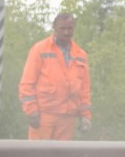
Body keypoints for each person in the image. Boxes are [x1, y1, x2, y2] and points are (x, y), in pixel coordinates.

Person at [19, 12, 92, 140]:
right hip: (43, 116)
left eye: (70, 28)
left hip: (68, 118)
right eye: (62, 28)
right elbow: (27, 83)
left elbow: (84, 89)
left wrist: (85, 116)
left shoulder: (80, 54)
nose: (66, 32)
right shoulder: (40, 49)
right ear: (54, 28)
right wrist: (32, 111)